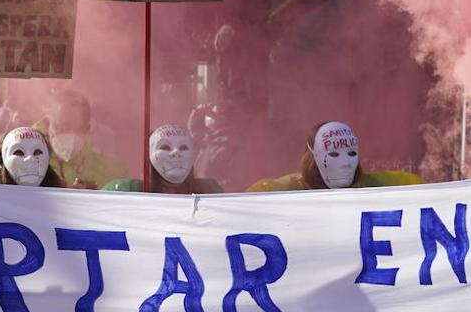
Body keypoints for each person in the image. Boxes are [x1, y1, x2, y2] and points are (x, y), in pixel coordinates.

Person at [247, 120, 425, 191]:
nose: (346, 163)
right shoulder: (279, 192)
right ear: (313, 157)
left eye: (352, 153)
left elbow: (420, 193)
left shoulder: (386, 187)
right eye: (333, 154)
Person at [36, 90, 127, 188]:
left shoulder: (113, 172)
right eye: (63, 127)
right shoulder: (31, 166)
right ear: (47, 124)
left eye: (79, 129)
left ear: (87, 130)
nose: (71, 135)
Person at [103, 124, 224, 193]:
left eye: (183, 147)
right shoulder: (125, 191)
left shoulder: (209, 191)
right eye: (165, 147)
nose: (176, 153)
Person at [0, 126, 65, 187]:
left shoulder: (62, 197)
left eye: (37, 152)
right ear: (3, 159)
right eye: (19, 152)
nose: (30, 159)